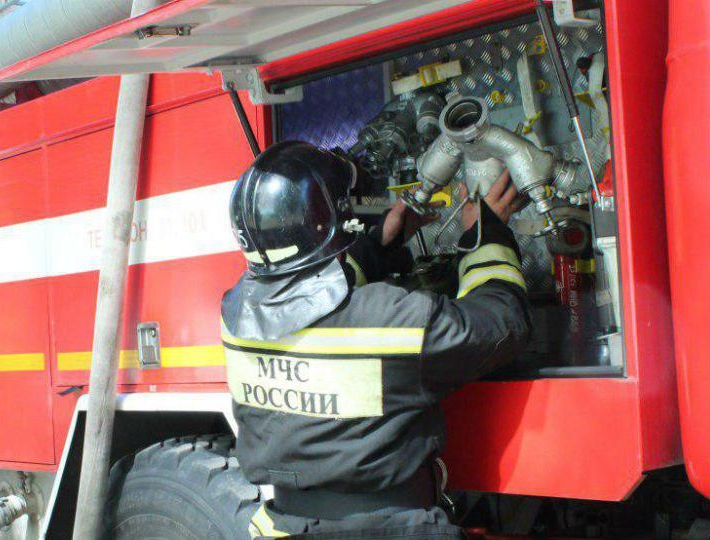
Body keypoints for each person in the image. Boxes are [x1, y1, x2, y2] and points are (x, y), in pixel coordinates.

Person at [221, 141, 532, 539]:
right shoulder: (389, 321)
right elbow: (503, 322)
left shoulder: (236, 315)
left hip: (283, 527)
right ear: (338, 222)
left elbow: (310, 292)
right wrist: (484, 234)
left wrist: (379, 243)